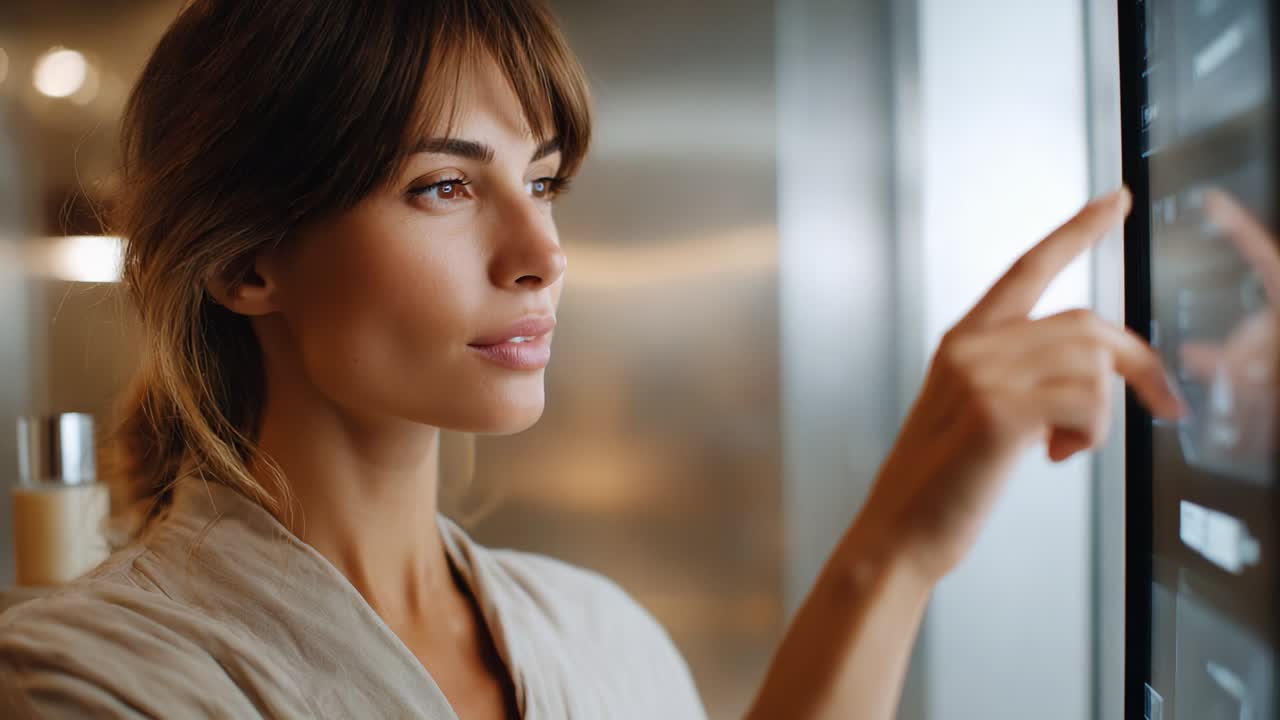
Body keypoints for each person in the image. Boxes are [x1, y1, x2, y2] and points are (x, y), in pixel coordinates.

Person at [0, 1, 1186, 718]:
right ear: (246, 260)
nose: (541, 254)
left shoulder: (599, 632)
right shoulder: (83, 682)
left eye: (543, 181)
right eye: (444, 186)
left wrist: (903, 546)